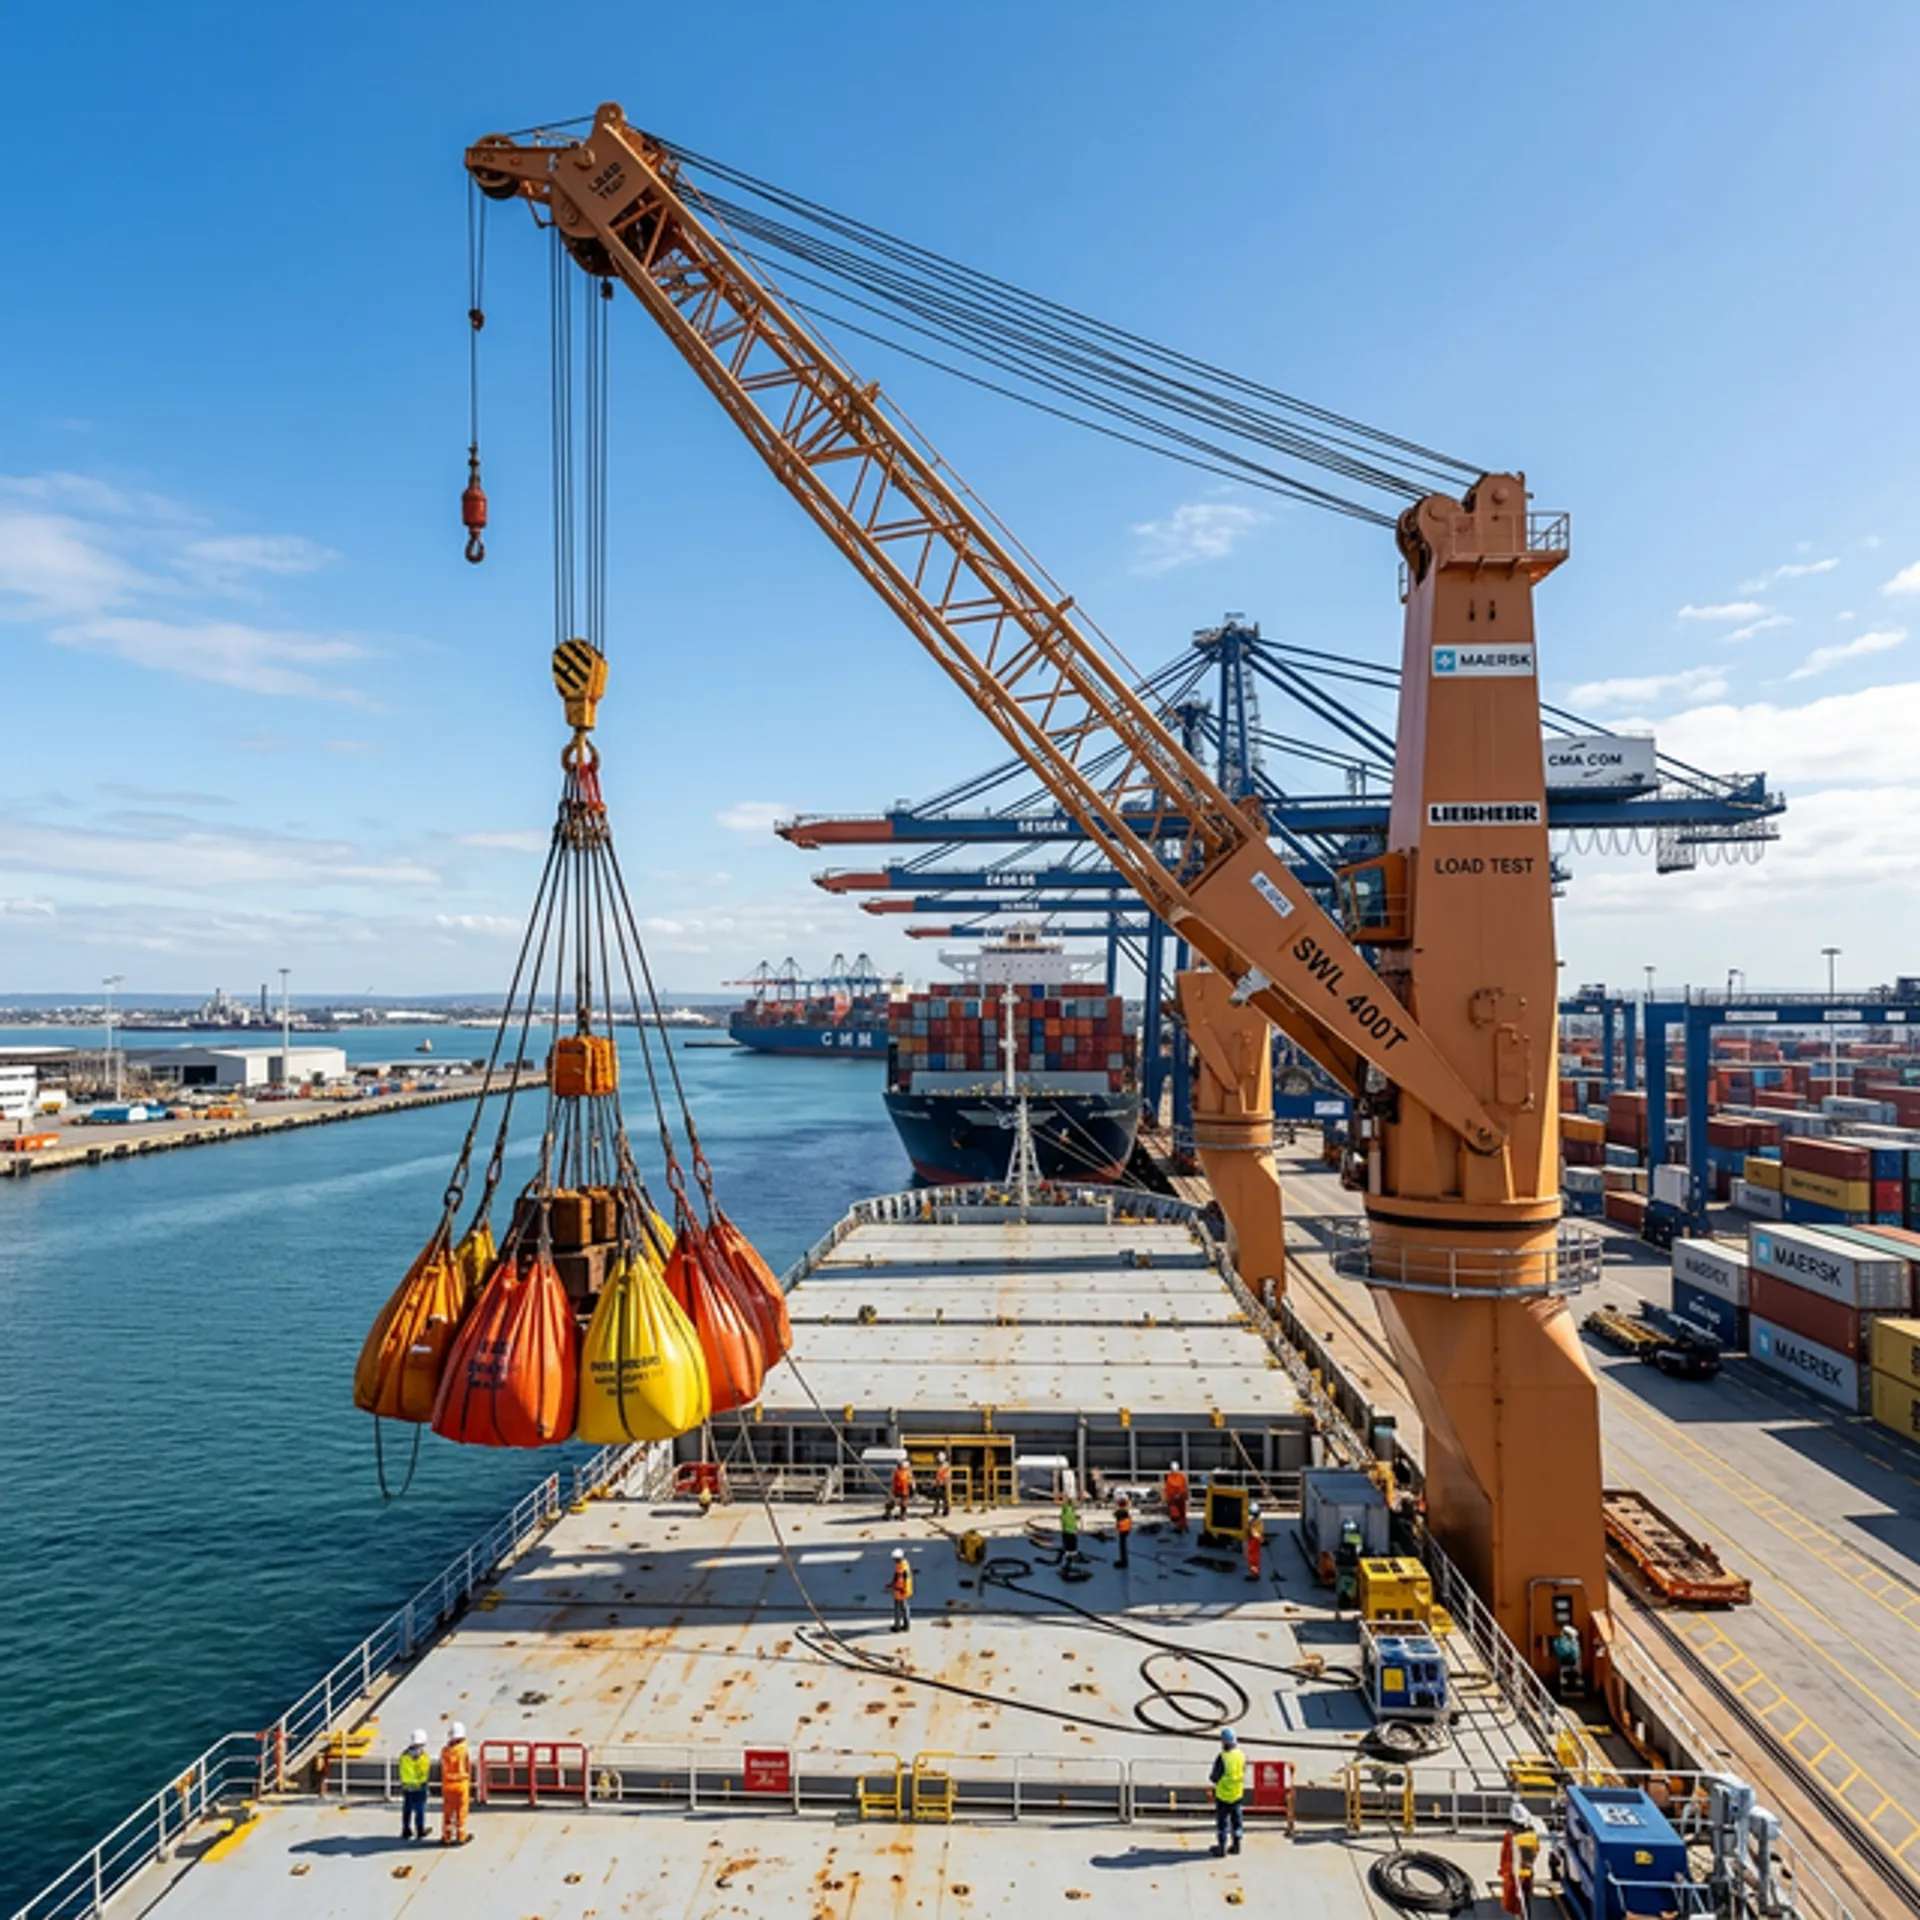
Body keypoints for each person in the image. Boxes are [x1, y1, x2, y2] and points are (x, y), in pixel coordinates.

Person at [1209, 1727, 1246, 1856]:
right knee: (1237, 1821)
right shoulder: (1241, 1756)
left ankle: (1222, 1848)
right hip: (1237, 1795)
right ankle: (1236, 1845)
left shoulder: (1223, 1758)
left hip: (1223, 1796)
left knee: (1222, 1823)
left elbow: (1214, 1777)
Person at [440, 1723, 471, 1845]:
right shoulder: (464, 1749)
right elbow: (468, 1765)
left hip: (447, 1784)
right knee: (461, 1811)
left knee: (448, 1811)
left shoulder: (445, 1751)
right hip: (461, 1783)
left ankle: (446, 1836)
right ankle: (461, 1835)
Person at [398, 1729, 432, 1841]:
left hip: (407, 1787)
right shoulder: (423, 1757)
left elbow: (402, 1771)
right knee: (420, 1810)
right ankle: (420, 1830)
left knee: (407, 1809)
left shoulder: (404, 1756)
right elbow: (425, 1772)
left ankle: (406, 1829)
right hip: (420, 1788)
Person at [889, 1548, 914, 1632]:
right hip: (903, 1590)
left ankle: (897, 1627)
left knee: (899, 1609)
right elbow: (897, 1576)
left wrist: (899, 1588)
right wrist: (892, 1583)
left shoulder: (902, 1567)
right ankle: (906, 1626)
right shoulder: (903, 1563)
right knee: (904, 1608)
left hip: (901, 1590)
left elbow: (903, 1579)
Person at [1163, 1462, 1189, 1533]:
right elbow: (1168, 1488)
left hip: (1177, 1498)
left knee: (1179, 1514)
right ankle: (1180, 1526)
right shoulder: (1177, 1477)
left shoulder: (1174, 1477)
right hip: (1175, 1499)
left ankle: (1181, 1527)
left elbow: (1182, 1487)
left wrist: (1178, 1495)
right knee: (1178, 1514)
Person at [1244, 1505, 1264, 1583]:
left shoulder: (1256, 1523)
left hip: (1254, 1541)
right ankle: (1254, 1572)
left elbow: (1255, 1533)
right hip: (1254, 1541)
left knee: (1253, 1558)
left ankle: (1254, 1574)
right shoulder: (1257, 1522)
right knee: (1252, 1557)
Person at [1114, 1493, 1133, 1569]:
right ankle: (1123, 1560)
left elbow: (1116, 1515)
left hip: (1123, 1530)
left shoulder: (1122, 1511)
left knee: (1122, 1547)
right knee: (1122, 1546)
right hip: (1125, 1530)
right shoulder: (1125, 1511)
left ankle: (1124, 1562)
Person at [1059, 1495, 1080, 1561]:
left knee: (1069, 1540)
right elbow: (1064, 1517)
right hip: (1069, 1528)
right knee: (1071, 1540)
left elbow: (1064, 1517)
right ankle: (1071, 1552)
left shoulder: (1069, 1509)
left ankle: (1070, 1551)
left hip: (1068, 1528)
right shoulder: (1067, 1509)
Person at [932, 1451, 952, 1518]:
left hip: (944, 1483)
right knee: (937, 1497)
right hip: (939, 1482)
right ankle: (936, 1510)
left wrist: (943, 1481)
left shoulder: (945, 1466)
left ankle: (946, 1510)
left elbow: (946, 1475)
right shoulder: (940, 1465)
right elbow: (938, 1474)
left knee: (945, 1498)